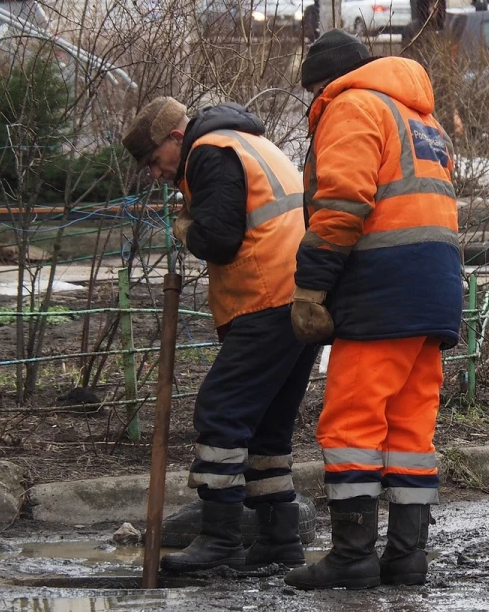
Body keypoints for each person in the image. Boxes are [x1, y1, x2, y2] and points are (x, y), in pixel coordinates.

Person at [282, 29, 462, 590]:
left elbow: (342, 205)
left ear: (322, 85)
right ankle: (407, 556)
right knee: (410, 429)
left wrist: (311, 287)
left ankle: (352, 555)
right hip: (434, 289)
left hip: (383, 288)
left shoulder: (351, 106)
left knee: (352, 422)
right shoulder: (420, 118)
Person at [122, 97, 320, 572]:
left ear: (176, 137)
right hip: (302, 296)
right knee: (268, 427)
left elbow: (219, 238)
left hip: (267, 296)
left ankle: (220, 540)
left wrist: (185, 228)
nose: (157, 174)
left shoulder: (208, 152)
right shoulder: (247, 142)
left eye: (155, 160)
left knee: (221, 411)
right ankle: (278, 538)